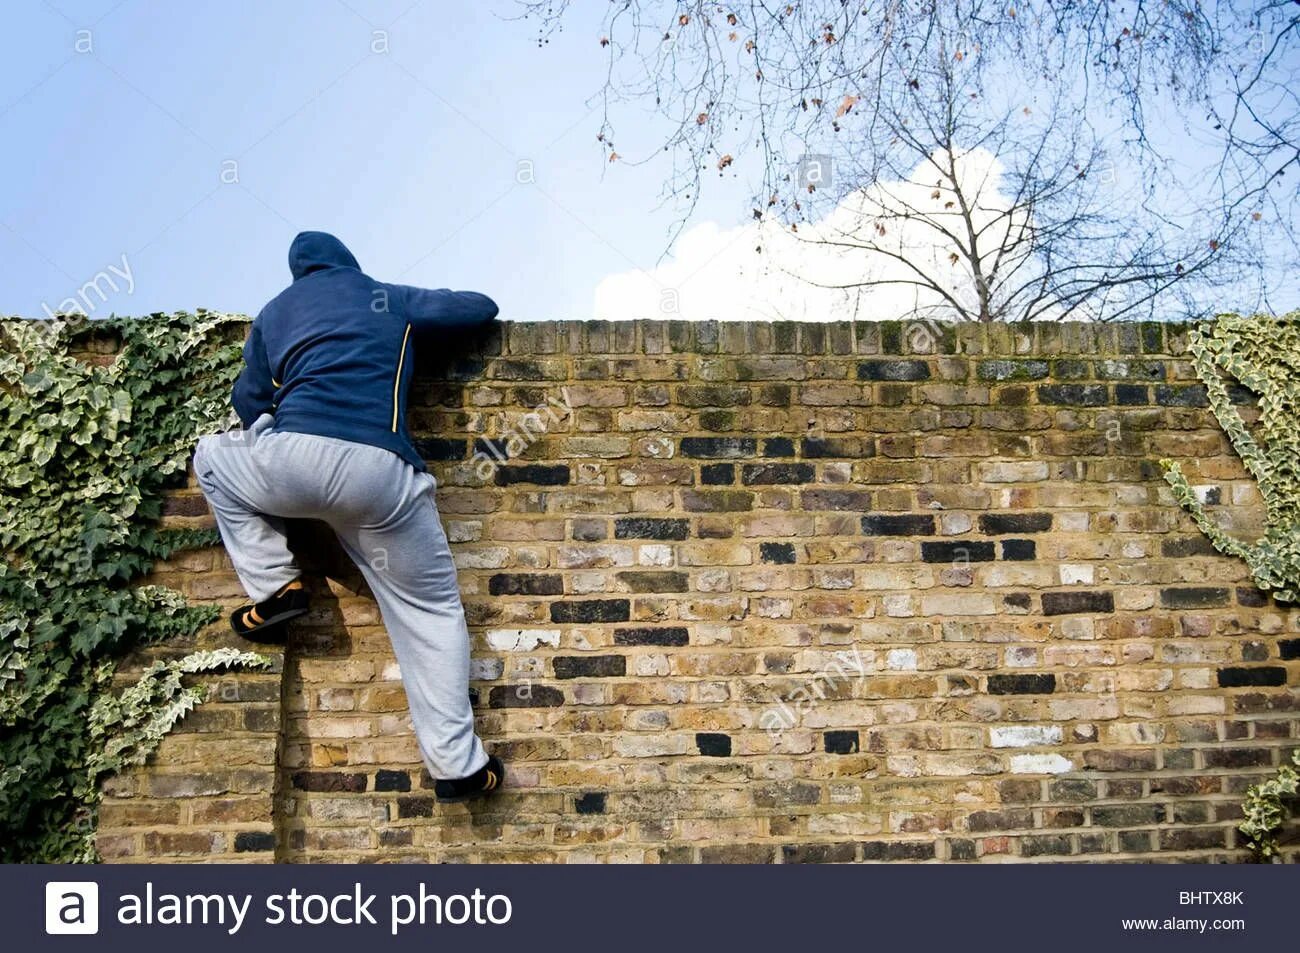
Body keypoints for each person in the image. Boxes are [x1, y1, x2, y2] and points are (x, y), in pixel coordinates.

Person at [192, 231, 504, 804]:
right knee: (430, 612)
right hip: (378, 474)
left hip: (292, 466)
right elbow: (480, 308)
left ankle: (274, 587)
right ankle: (458, 767)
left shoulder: (274, 314)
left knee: (212, 457)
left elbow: (249, 402)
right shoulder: (388, 296)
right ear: (349, 263)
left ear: (297, 274)